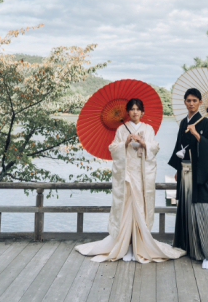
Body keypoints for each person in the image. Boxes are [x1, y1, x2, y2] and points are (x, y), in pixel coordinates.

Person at [76, 98, 185, 263]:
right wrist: (125, 142)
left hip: (142, 175)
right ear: (128, 112)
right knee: (126, 210)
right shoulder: (121, 129)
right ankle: (125, 246)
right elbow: (113, 148)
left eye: (138, 109)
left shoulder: (148, 128)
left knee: (140, 210)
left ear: (142, 112)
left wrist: (143, 142)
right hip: (127, 175)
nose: (135, 112)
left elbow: (155, 147)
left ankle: (138, 247)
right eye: (132, 109)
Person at [167, 88, 208, 270]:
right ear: (184, 102)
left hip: (200, 174)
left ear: (200, 103)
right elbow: (179, 147)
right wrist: (178, 168)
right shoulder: (182, 123)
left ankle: (206, 255)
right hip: (185, 170)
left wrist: (197, 134)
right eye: (188, 100)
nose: (191, 103)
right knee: (186, 209)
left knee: (202, 210)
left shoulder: (206, 124)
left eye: (195, 100)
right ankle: (186, 247)